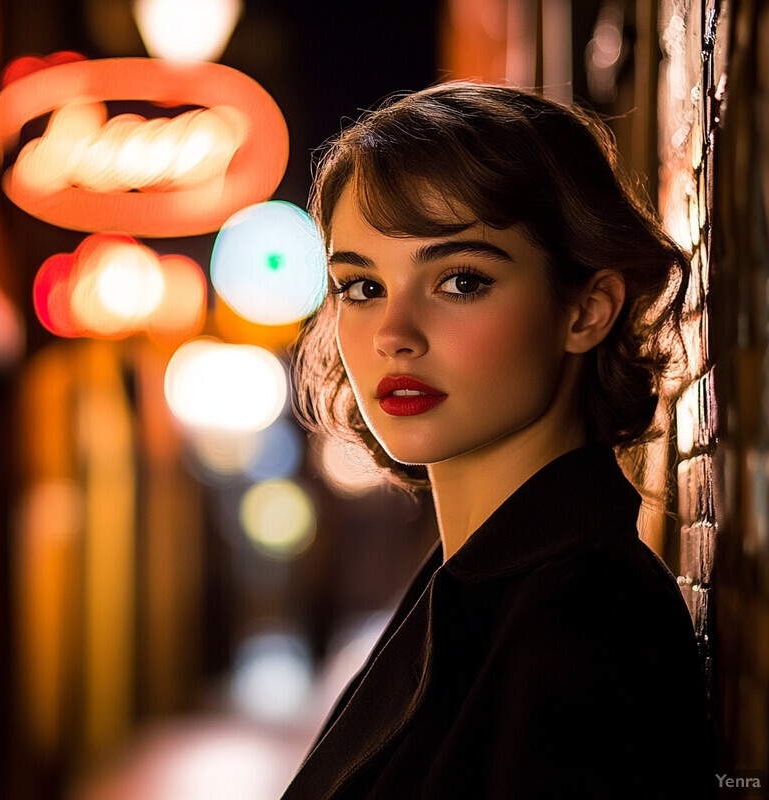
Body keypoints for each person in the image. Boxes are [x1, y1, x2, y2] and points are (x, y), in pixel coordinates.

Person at [285, 83, 713, 799]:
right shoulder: (470, 586)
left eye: (459, 280)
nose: (393, 334)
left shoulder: (586, 629)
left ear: (586, 310)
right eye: (360, 287)